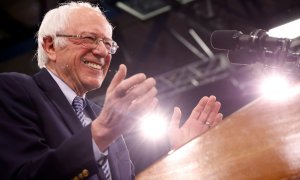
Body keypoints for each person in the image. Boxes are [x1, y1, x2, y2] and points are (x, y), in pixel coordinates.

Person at [0, 2, 223, 180]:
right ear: (50, 46)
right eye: (89, 38)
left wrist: (180, 155)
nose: (102, 52)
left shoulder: (102, 117)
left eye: (108, 44)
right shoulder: (15, 90)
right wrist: (101, 133)